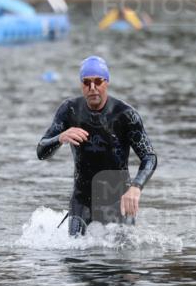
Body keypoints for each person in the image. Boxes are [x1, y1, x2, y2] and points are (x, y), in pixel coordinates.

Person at [37, 56, 157, 236]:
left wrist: (136, 187)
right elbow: (41, 151)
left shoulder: (125, 115)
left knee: (121, 257)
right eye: (87, 82)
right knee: (75, 257)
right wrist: (60, 138)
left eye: (98, 81)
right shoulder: (69, 110)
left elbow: (149, 157)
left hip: (119, 200)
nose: (92, 88)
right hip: (82, 200)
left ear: (106, 82)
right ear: (81, 85)